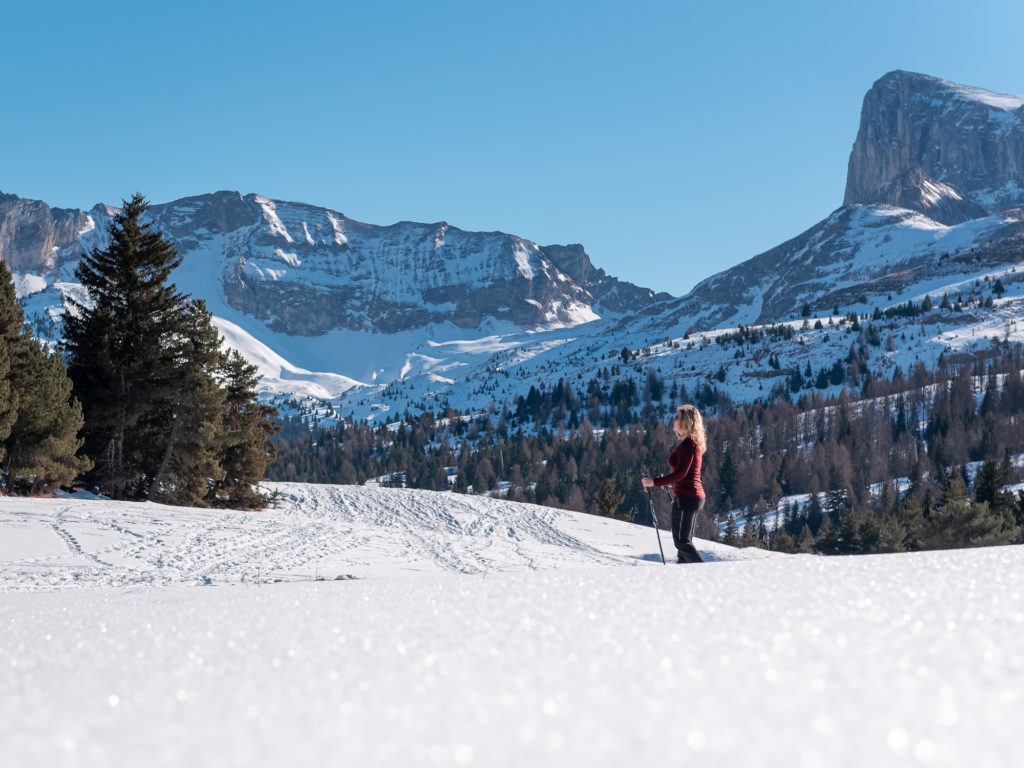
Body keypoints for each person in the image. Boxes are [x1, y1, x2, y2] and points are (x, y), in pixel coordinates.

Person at [642, 404, 707, 563]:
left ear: (686, 422)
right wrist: (670, 483)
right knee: (683, 546)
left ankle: (707, 574)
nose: (674, 420)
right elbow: (686, 474)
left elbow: (680, 474)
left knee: (681, 542)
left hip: (687, 499)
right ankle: (684, 580)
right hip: (690, 497)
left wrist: (654, 482)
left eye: (677, 418)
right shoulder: (691, 444)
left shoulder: (688, 446)